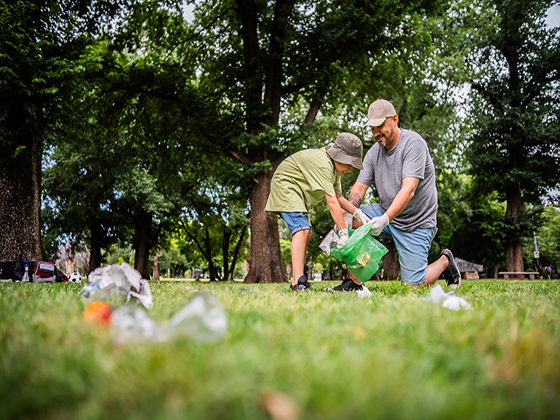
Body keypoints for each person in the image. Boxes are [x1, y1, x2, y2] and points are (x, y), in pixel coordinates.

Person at [331, 99, 461, 291]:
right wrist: (351, 212)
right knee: (348, 218)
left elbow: (408, 190)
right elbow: (358, 188)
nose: (375, 133)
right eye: (372, 128)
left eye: (380, 126)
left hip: (416, 223)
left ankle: (445, 262)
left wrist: (385, 219)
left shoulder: (413, 145)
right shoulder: (374, 153)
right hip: (385, 212)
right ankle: (354, 282)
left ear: (394, 119)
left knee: (412, 286)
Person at [265, 133, 371, 291]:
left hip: (297, 192)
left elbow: (340, 198)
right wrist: (343, 233)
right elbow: (332, 202)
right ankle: (297, 282)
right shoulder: (324, 165)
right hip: (286, 185)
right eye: (349, 164)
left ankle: (299, 278)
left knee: (307, 233)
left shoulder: (334, 171)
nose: (350, 169)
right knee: (302, 230)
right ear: (339, 156)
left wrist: (358, 213)